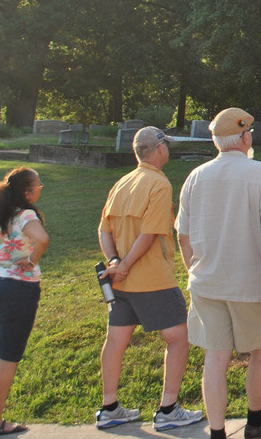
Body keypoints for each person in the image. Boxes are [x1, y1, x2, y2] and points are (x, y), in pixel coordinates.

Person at [175, 108, 261, 439]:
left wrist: (193, 269)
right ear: (244, 137)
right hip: (251, 281)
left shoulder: (195, 177)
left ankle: (216, 431)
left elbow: (183, 235)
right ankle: (256, 421)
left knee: (215, 356)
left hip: (207, 282)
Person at [95, 126, 204, 431]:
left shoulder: (121, 183)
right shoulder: (159, 184)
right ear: (158, 150)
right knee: (178, 339)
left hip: (119, 283)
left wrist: (115, 263)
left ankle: (109, 407)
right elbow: (151, 232)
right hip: (153, 279)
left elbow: (103, 230)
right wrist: (127, 263)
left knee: (115, 340)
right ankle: (168, 409)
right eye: (165, 145)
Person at [0, 168, 48, 437]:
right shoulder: (25, 215)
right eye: (39, 185)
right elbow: (42, 238)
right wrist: (31, 261)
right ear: (27, 192)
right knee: (7, 358)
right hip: (18, 290)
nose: (41, 188)